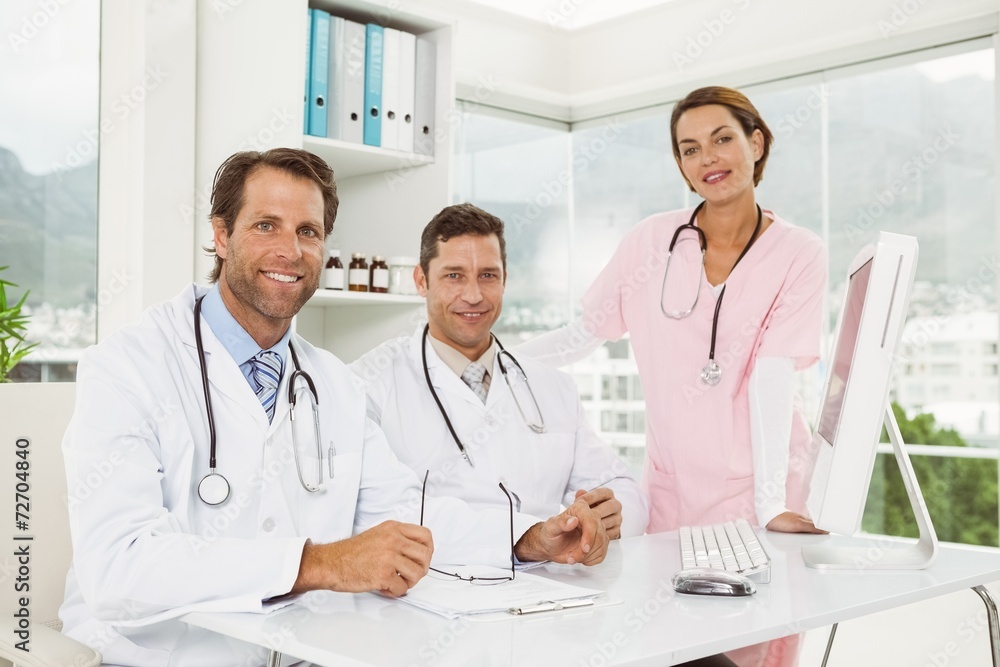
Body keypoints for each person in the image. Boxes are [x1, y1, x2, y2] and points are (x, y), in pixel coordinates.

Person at [58, 149, 608, 664]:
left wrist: (526, 538)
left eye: (308, 232)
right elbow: (117, 564)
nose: (290, 252)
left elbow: (405, 514)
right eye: (265, 225)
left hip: (306, 656)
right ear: (222, 236)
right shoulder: (127, 367)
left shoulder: (333, 384)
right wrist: (319, 563)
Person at [516, 87, 827, 667]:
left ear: (756, 144)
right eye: (689, 148)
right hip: (673, 492)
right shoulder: (652, 242)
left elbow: (773, 374)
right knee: (670, 644)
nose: (708, 158)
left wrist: (768, 506)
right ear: (680, 165)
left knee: (755, 650)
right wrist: (492, 359)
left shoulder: (798, 252)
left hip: (763, 492)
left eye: (723, 139)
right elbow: (584, 333)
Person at [351, 203, 649, 542]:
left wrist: (610, 515)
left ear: (505, 280)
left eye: (488, 275)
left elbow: (624, 489)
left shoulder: (554, 387)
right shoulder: (370, 383)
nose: (474, 295)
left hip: (553, 586)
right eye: (454, 276)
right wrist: (526, 539)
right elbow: (375, 510)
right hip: (431, 586)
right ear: (422, 281)